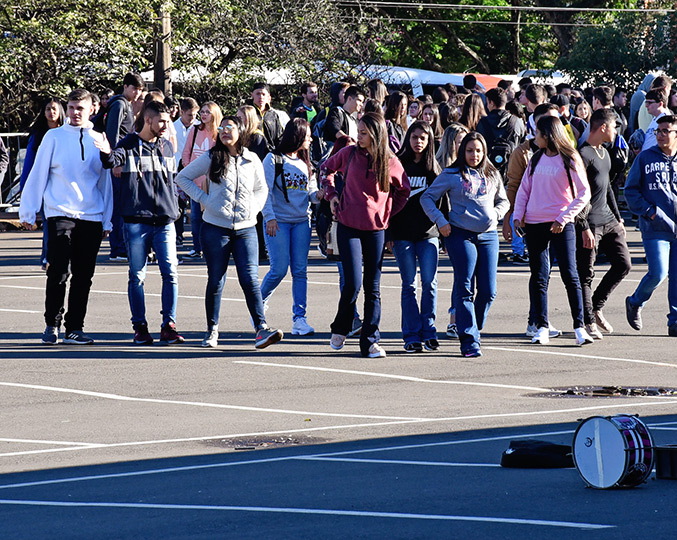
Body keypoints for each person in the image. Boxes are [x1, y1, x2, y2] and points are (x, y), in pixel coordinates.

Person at [175, 116, 283, 349]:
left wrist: (253, 209)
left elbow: (261, 188)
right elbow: (182, 177)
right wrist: (205, 199)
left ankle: (261, 329)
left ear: (240, 131)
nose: (224, 131)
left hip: (246, 229)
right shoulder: (212, 157)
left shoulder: (251, 158)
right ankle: (212, 330)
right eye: (221, 128)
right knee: (216, 280)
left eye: (230, 127)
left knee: (250, 279)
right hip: (215, 228)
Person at [19, 89, 112, 345]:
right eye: (70, 108)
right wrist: (28, 210)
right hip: (59, 212)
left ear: (91, 109)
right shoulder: (54, 137)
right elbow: (38, 173)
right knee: (59, 271)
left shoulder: (98, 139)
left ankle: (75, 328)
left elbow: (105, 183)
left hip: (91, 216)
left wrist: (107, 219)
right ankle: (52, 324)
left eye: (79, 108)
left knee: (84, 275)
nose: (73, 113)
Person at [321, 112, 410, 358]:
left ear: (376, 134)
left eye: (363, 133)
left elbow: (404, 190)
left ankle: (370, 341)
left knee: (373, 287)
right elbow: (325, 169)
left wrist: (387, 212)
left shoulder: (391, 161)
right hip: (348, 225)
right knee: (352, 284)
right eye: (358, 131)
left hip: (376, 230)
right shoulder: (348, 153)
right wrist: (331, 194)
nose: (357, 136)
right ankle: (341, 327)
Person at [96, 101, 183, 346]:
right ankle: (140, 327)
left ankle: (169, 326)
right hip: (136, 222)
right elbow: (111, 161)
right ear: (148, 120)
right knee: (137, 276)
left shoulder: (166, 146)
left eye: (168, 121)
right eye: (162, 121)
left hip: (165, 220)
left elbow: (171, 182)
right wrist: (105, 151)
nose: (166, 126)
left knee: (171, 273)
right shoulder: (130, 144)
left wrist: (174, 208)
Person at [421, 132, 508, 358]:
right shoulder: (451, 174)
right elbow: (427, 198)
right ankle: (469, 340)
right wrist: (441, 221)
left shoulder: (492, 173)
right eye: (470, 150)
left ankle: (472, 327)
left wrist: (496, 215)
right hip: (460, 235)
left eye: (478, 150)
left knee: (489, 291)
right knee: (465, 287)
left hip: (488, 236)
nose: (474, 155)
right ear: (462, 152)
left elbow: (504, 200)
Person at [512, 115, 593, 346]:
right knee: (539, 277)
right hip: (535, 224)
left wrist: (564, 218)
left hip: (561, 224)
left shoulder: (570, 157)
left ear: (548, 135)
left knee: (570, 274)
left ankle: (580, 327)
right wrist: (518, 216)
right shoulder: (536, 158)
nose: (534, 137)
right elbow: (524, 189)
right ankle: (542, 327)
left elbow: (583, 193)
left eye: (537, 133)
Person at [260, 118, 322, 336]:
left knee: (300, 271)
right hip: (279, 221)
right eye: (307, 136)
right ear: (297, 135)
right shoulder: (273, 159)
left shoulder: (306, 162)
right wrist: (269, 218)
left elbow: (311, 193)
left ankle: (300, 319)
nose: (311, 139)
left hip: (301, 222)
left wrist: (319, 195)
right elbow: (264, 191)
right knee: (279, 269)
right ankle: (258, 306)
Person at [575, 108, 632, 339]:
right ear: (602, 128)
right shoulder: (582, 155)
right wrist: (584, 227)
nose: (616, 131)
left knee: (623, 264)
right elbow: (575, 194)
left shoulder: (604, 152)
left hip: (609, 220)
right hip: (590, 222)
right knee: (585, 274)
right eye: (614, 127)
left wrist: (618, 216)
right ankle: (588, 321)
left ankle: (596, 306)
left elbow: (608, 187)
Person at [389, 121, 443, 352]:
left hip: (428, 234)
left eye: (423, 137)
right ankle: (411, 336)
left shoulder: (434, 168)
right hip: (402, 235)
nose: (418, 141)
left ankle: (429, 331)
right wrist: (389, 233)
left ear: (430, 140)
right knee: (409, 285)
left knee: (430, 284)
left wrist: (444, 230)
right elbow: (388, 201)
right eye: (414, 137)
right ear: (408, 139)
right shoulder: (398, 165)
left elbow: (444, 202)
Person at [624, 115, 677, 336]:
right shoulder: (645, 158)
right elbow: (630, 190)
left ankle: (674, 321)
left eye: (666, 131)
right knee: (658, 273)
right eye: (659, 131)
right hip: (655, 226)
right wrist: (649, 212)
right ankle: (636, 301)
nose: (661, 135)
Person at [18, 97, 65, 269]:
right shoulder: (38, 134)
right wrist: (25, 188)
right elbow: (29, 163)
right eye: (47, 109)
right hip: (44, 185)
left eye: (54, 108)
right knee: (49, 223)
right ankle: (47, 258)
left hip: (63, 185)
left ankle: (59, 257)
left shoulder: (67, 132)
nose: (51, 112)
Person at [105, 73, 145, 262]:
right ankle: (118, 248)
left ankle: (121, 246)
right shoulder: (120, 104)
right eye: (134, 88)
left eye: (140, 89)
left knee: (122, 205)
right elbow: (113, 134)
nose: (137, 92)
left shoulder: (126, 105)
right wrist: (115, 162)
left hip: (123, 158)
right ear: (125, 86)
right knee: (118, 207)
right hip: (117, 161)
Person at [434, 122, 469, 338]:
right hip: (442, 226)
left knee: (462, 276)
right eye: (460, 142)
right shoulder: (440, 167)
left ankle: (456, 318)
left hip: (463, 226)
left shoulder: (471, 166)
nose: (465, 147)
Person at [182, 101, 223, 259]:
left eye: (207, 112)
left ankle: (211, 247)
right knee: (195, 217)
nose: (203, 115)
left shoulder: (219, 132)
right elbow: (187, 151)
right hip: (195, 182)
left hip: (212, 182)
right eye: (203, 112)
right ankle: (196, 247)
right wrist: (189, 170)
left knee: (211, 217)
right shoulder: (195, 129)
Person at [251, 82, 284, 151]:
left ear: (268, 97)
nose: (261, 97)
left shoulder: (273, 115)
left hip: (270, 154)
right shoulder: (248, 113)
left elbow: (279, 137)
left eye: (263, 94)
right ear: (252, 95)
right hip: (252, 154)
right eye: (258, 94)